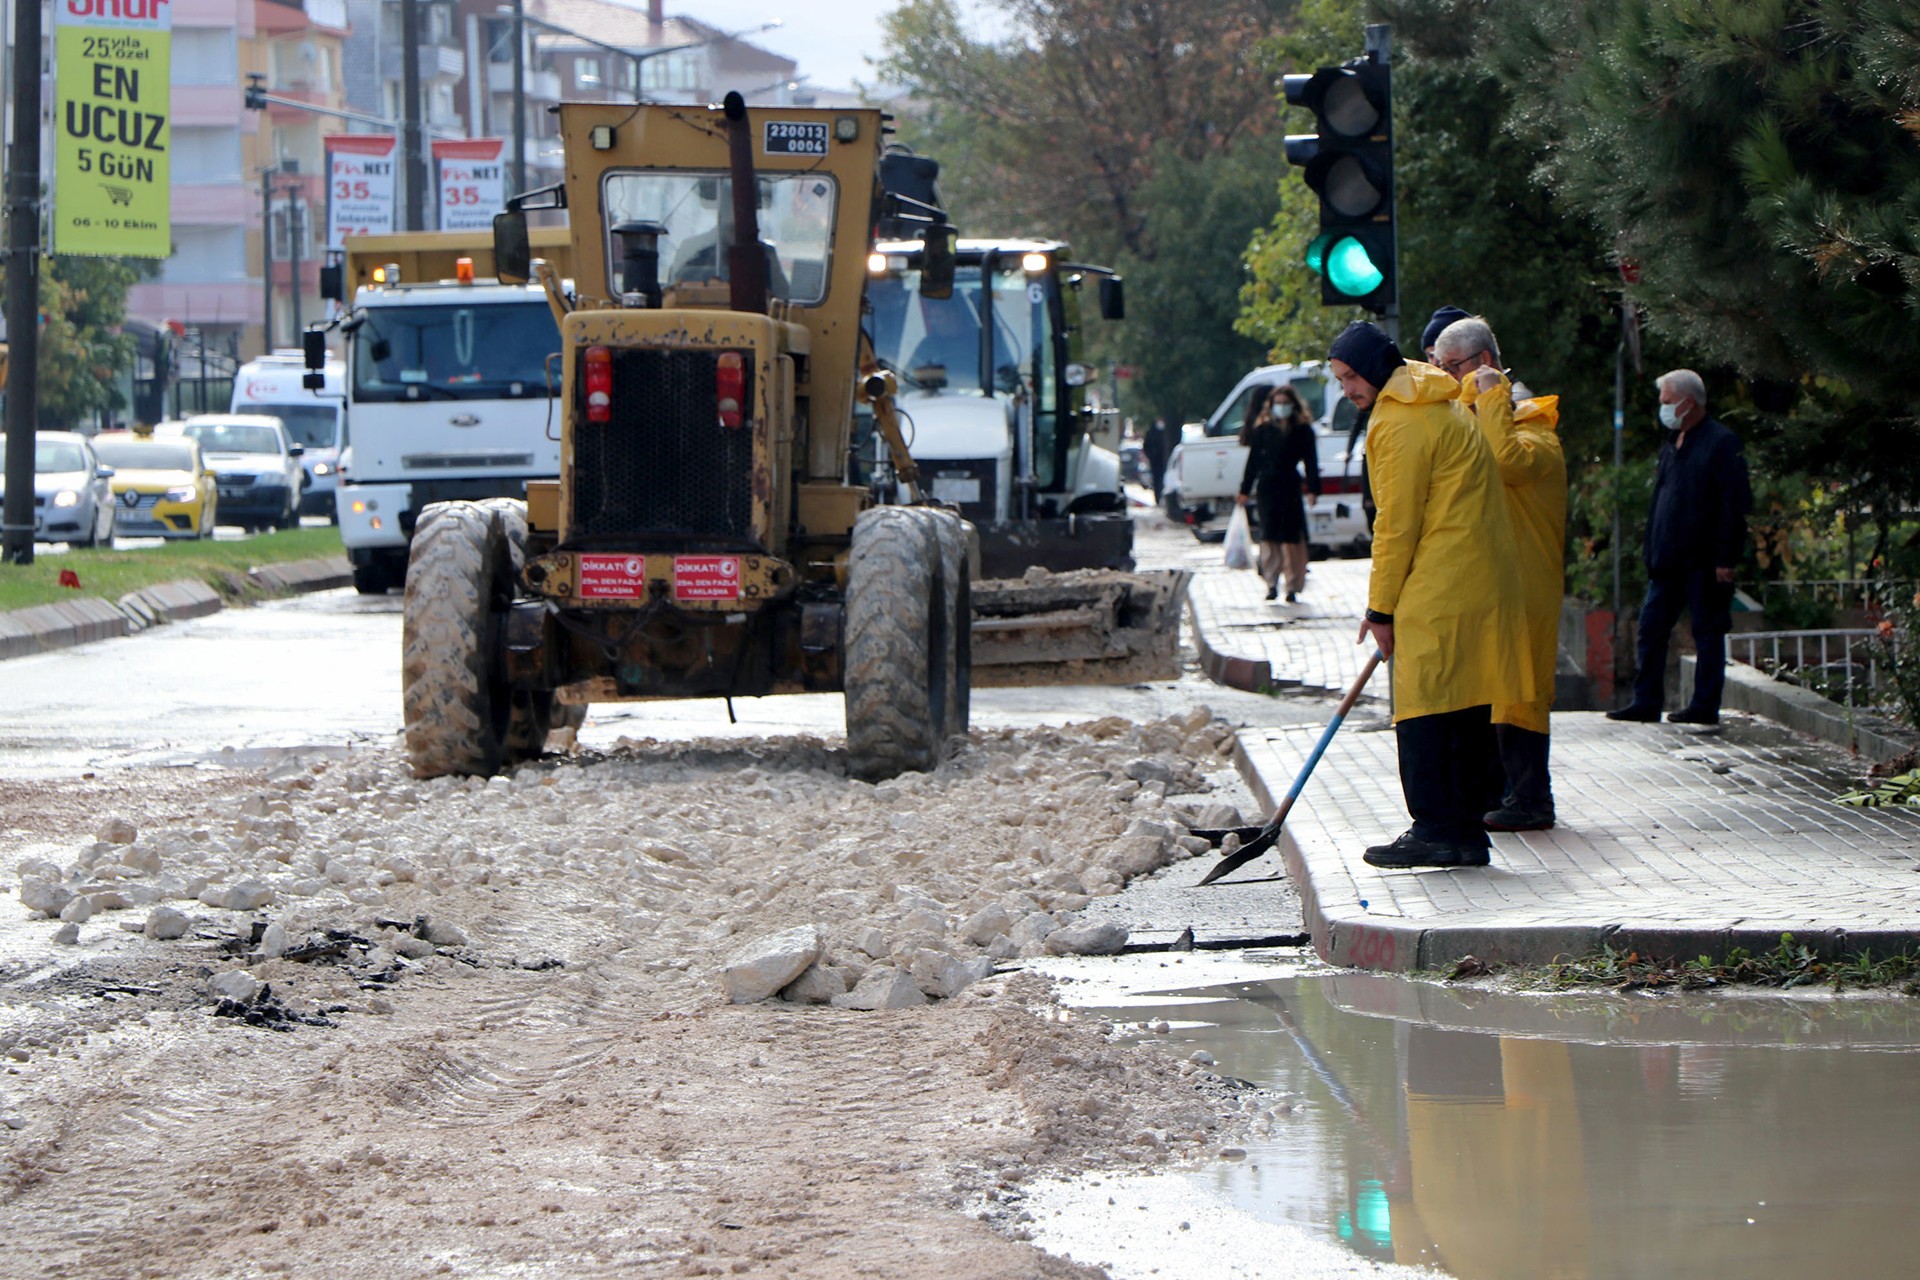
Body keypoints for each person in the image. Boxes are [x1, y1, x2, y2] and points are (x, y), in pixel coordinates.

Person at [1330, 321, 1534, 869]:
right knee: (1464, 707)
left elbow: (1396, 524)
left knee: (1422, 709)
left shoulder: (1399, 422)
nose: (1346, 389)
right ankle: (1466, 831)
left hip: (1439, 581)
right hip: (1473, 577)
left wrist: (1380, 608)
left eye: (1350, 377)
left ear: (1374, 370)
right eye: (1340, 378)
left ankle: (1436, 827)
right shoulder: (1433, 397)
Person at [1433, 316, 1568, 831]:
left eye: (1453, 367)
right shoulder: (1482, 418)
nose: (1446, 375)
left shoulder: (1534, 429)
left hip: (1528, 582)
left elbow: (1504, 461)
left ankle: (1533, 799)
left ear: (1483, 363)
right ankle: (1505, 793)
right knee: (1496, 690)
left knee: (1522, 692)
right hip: (1496, 581)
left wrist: (1491, 397)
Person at [1608, 369, 1752, 725]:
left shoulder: (1721, 443)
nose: (1664, 409)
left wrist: (1726, 557)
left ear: (1689, 403)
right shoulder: (1673, 443)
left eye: (1668, 402)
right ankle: (1646, 701)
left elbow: (1734, 504)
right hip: (1667, 560)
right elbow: (1662, 498)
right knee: (1651, 627)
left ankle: (1704, 705)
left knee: (1707, 631)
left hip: (1704, 561)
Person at [1235, 384, 1321, 602]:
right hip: (1267, 488)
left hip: (1290, 487)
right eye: (1277, 404)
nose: (1281, 408)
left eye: (1285, 403)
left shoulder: (1302, 430)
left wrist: (1313, 489)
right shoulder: (1262, 431)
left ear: (1293, 405)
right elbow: (1253, 462)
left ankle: (1292, 586)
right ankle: (1271, 583)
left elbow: (1311, 461)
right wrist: (1245, 489)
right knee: (1269, 536)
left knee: (1292, 537)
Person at [1142, 416, 1172, 499]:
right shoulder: (1151, 432)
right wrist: (1151, 456)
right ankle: (1158, 498)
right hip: (1155, 461)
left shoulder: (1165, 432)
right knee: (1157, 481)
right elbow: (1146, 446)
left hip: (1165, 460)